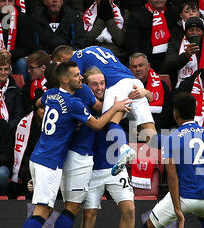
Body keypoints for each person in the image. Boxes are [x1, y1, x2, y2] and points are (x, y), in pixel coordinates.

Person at [4, 60, 131, 228]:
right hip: (58, 159)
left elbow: (38, 103)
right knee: (50, 210)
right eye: (77, 76)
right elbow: (98, 123)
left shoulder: (51, 94)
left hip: (41, 156)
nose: (80, 79)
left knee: (47, 208)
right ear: (65, 79)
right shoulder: (75, 102)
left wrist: (54, 117)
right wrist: (116, 107)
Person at [102, 92, 204, 228]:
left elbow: (172, 177)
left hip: (182, 197)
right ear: (195, 111)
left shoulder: (173, 138)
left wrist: (178, 209)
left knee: (148, 227)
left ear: (175, 113)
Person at [64, 67, 138, 228]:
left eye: (102, 83)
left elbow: (142, 95)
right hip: (91, 170)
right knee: (89, 216)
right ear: (86, 86)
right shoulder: (80, 105)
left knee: (130, 209)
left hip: (115, 166)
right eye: (94, 84)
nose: (100, 87)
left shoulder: (115, 101)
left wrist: (145, 93)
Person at [52, 45, 157, 175]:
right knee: (148, 131)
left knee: (109, 122)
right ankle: (165, 160)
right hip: (134, 83)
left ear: (63, 58)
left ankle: (124, 148)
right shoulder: (100, 48)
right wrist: (147, 92)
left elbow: (74, 82)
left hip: (116, 84)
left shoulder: (76, 58)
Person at [163, 15, 204, 89]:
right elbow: (168, 67)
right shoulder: (176, 46)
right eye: (191, 30)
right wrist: (185, 56)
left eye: (198, 30)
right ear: (185, 32)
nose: (195, 33)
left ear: (203, 32)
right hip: (184, 88)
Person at [123, 0, 178, 73]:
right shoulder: (137, 15)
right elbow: (132, 44)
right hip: (146, 62)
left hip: (169, 61)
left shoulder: (173, 13)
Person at [129, 52, 176, 131]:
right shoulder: (126, 86)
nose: (138, 69)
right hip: (134, 130)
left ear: (148, 67)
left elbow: (167, 113)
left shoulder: (162, 86)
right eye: (134, 67)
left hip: (159, 129)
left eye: (141, 65)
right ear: (130, 69)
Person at [82, 0, 127, 65]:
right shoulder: (85, 14)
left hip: (116, 55)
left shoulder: (123, 13)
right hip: (92, 53)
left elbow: (120, 41)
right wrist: (101, 19)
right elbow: (86, 40)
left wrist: (109, 18)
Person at [20, 51, 51, 116]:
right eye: (28, 67)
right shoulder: (28, 86)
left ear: (43, 68)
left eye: (32, 68)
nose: (28, 71)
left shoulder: (52, 85)